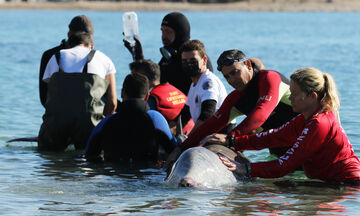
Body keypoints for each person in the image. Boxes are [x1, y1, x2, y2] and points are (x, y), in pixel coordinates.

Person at [217, 67, 360, 186]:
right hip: (330, 181)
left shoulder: (319, 123)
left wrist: (246, 168)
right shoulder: (304, 118)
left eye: (295, 94)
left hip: (348, 185)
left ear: (313, 97)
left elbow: (287, 164)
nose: (290, 98)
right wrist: (232, 141)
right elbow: (274, 137)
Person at [165, 49, 297, 167]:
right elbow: (209, 125)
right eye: (227, 76)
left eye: (235, 72)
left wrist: (229, 138)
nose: (232, 80)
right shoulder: (235, 98)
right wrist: (181, 149)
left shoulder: (269, 78)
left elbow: (260, 114)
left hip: (307, 141)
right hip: (280, 151)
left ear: (248, 65)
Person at [38, 15, 117, 151]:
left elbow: (48, 97)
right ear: (91, 42)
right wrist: (100, 126)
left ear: (70, 37)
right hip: (89, 127)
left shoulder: (55, 57)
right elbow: (112, 103)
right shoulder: (104, 60)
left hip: (56, 126)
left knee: (51, 166)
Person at [85, 73, 179, 162]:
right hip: (147, 174)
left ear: (122, 93)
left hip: (115, 175)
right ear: (147, 96)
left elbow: (89, 155)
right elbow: (174, 150)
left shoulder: (106, 122)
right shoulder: (155, 118)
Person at [124, 12, 213, 95]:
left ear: (180, 34)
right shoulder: (168, 58)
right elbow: (150, 83)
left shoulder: (198, 61)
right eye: (162, 31)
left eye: (168, 32)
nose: (163, 37)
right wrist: (138, 56)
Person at [179, 39, 235, 134]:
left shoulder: (208, 82)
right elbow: (184, 116)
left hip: (222, 132)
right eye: (184, 61)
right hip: (209, 132)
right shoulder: (194, 85)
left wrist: (190, 138)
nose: (188, 64)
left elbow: (207, 113)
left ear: (204, 60)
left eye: (193, 60)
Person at [129, 59, 194, 135]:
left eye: (134, 78)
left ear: (143, 79)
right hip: (192, 134)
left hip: (177, 140)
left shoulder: (152, 99)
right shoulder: (176, 91)